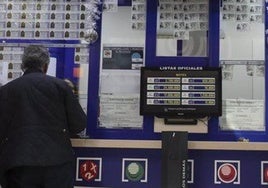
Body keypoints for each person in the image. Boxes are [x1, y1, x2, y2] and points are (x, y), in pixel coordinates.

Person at [0, 45, 87, 188]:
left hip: (18, 166)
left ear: (22, 66)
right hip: (57, 164)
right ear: (46, 66)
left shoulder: (6, 91)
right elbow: (79, 124)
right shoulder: (61, 87)